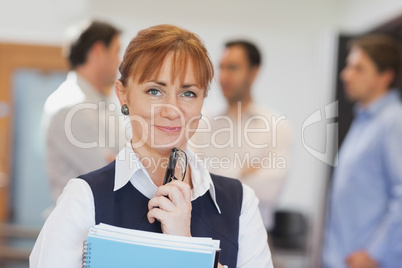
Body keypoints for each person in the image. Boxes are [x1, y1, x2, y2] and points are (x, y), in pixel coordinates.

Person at [30, 24, 273, 268]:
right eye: (154, 90)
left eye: (188, 93)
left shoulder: (240, 203)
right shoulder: (84, 198)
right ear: (123, 94)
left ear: (202, 103)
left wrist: (185, 245)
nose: (171, 110)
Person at [191, 40, 292, 230]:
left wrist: (212, 173)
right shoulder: (201, 122)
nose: (223, 77)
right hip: (202, 229)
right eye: (221, 68)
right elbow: (191, 177)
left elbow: (270, 189)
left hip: (253, 233)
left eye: (233, 68)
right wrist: (241, 172)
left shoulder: (276, 126)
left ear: (254, 73)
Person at [323, 34, 402, 268]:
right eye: (348, 66)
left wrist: (374, 253)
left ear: (384, 77)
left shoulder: (394, 122)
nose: (345, 75)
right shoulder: (364, 120)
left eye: (358, 68)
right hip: (341, 258)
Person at [42, 20, 125, 202]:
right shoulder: (69, 107)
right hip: (81, 221)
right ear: (97, 51)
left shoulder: (103, 102)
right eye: (116, 51)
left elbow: (123, 159)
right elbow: (110, 172)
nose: (120, 61)